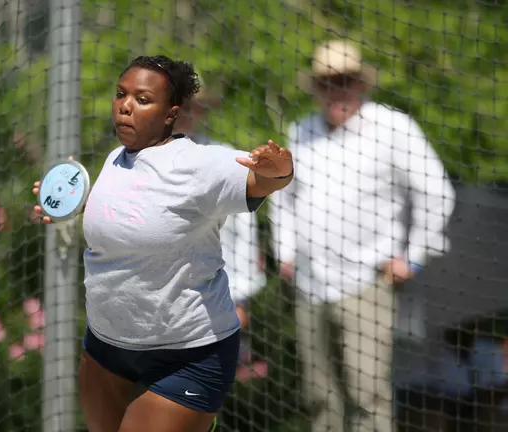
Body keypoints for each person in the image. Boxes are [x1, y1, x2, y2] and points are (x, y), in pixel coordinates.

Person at [32, 55, 294, 432]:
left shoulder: (201, 164)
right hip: (107, 346)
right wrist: (66, 203)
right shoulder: (114, 160)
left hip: (189, 354)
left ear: (171, 114)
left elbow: (263, 182)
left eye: (142, 99)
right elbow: (133, 216)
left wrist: (279, 170)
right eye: (121, 94)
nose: (125, 105)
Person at [269, 39, 456, 432]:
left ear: (361, 83)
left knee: (367, 394)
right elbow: (283, 195)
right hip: (310, 283)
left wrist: (415, 254)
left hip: (367, 282)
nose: (338, 89)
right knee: (319, 397)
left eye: (346, 80)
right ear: (317, 88)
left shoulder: (393, 127)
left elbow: (436, 191)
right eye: (328, 82)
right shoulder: (300, 130)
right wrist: (284, 251)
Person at [170, 75, 268, 373]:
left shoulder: (224, 159)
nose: (182, 116)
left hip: (212, 302)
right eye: (176, 107)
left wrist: (239, 298)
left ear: (199, 112)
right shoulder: (134, 160)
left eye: (190, 108)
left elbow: (242, 234)